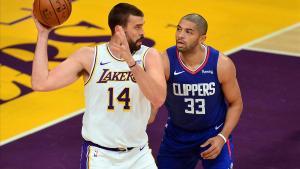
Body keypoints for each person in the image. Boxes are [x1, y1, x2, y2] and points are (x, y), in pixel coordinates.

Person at [31, 3, 166, 169]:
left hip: (139, 155)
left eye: (142, 27)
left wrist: (130, 62)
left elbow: (158, 98)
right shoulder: (90, 57)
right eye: (137, 27)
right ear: (119, 30)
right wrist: (43, 35)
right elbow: (40, 83)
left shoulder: (149, 56)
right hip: (100, 157)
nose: (142, 33)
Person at [153, 13, 243, 169]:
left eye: (189, 32)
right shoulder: (165, 61)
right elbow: (151, 97)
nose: (180, 35)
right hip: (177, 136)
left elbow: (236, 103)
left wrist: (222, 137)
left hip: (213, 134)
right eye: (179, 29)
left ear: (202, 38)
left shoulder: (221, 64)